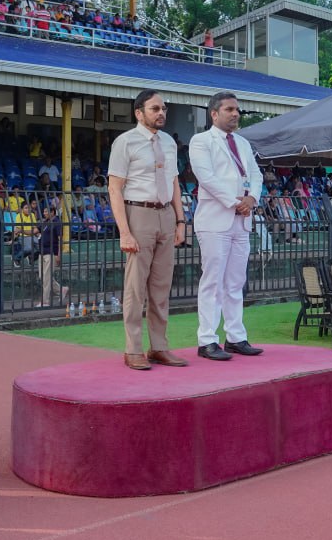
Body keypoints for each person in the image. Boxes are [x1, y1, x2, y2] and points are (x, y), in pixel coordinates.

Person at [108, 90, 187, 370]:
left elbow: (175, 182)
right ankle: (133, 350)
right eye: (155, 109)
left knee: (162, 286)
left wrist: (180, 221)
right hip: (138, 213)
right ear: (139, 113)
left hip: (166, 214)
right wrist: (125, 232)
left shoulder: (168, 142)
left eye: (163, 108)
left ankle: (159, 347)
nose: (161, 113)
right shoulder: (125, 143)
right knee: (135, 287)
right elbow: (114, 189)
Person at [189, 91, 263, 361]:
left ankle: (235, 336)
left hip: (241, 220)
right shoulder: (201, 141)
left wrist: (252, 198)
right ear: (214, 113)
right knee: (213, 280)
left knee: (235, 281)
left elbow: (256, 173)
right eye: (230, 109)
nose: (235, 114)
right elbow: (206, 177)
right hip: (215, 219)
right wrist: (236, 202)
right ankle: (207, 340)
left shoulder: (242, 142)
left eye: (237, 110)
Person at [36, 204, 68, 307]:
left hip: (51, 253)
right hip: (42, 252)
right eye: (44, 212)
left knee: (46, 277)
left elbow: (60, 239)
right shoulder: (44, 222)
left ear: (52, 212)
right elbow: (35, 231)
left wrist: (58, 255)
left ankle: (45, 301)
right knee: (43, 276)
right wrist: (21, 230)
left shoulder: (56, 223)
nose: (44, 213)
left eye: (46, 211)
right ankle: (61, 289)